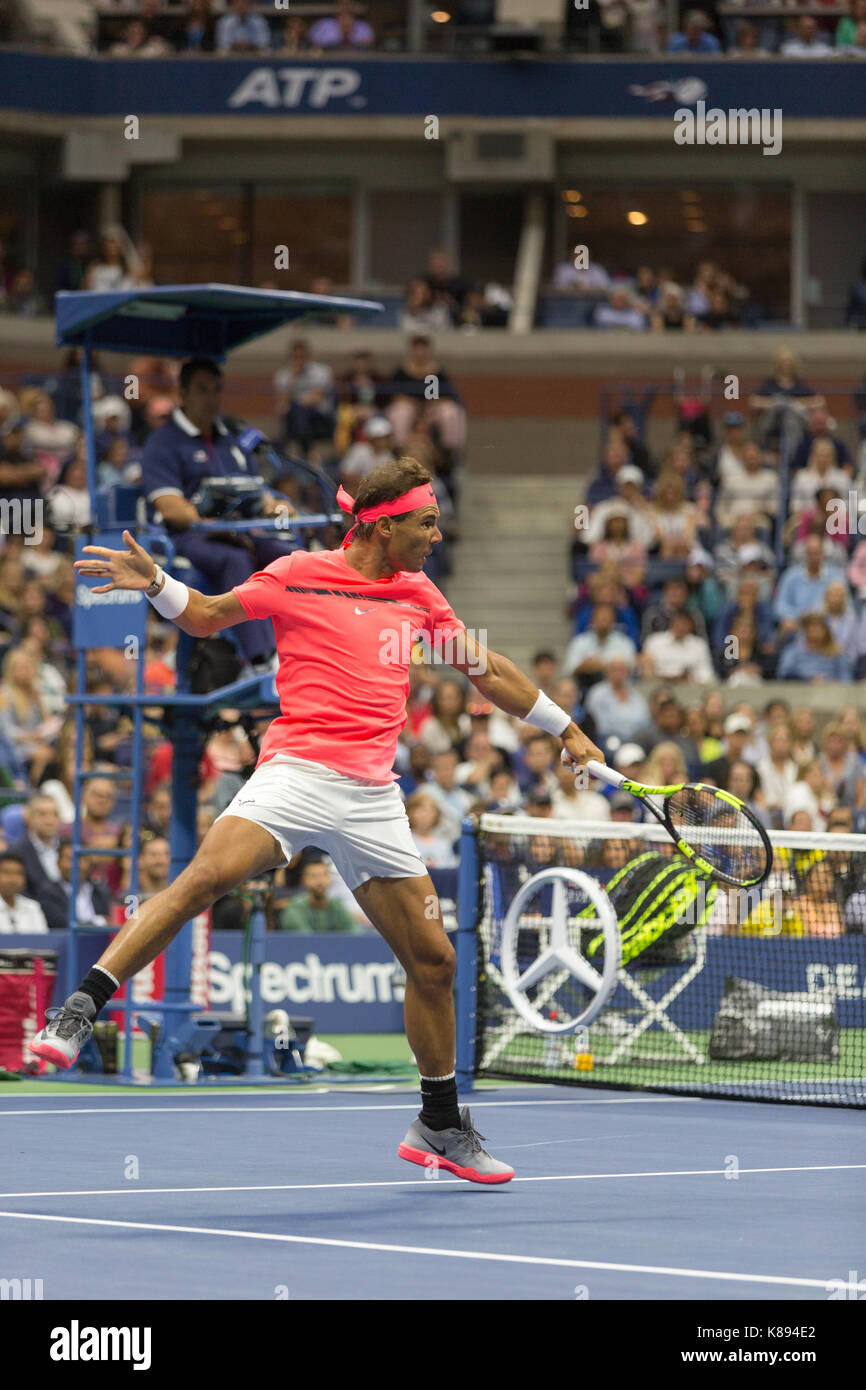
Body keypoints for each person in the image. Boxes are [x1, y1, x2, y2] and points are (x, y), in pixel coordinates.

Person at [33, 455, 604, 1184]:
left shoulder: (418, 594)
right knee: (205, 878)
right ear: (382, 525)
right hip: (297, 773)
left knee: (435, 962)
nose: (436, 533)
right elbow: (207, 618)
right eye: (426, 522)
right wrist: (156, 583)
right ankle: (79, 1009)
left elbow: (483, 670)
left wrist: (565, 728)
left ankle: (438, 1121)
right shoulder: (296, 572)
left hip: (372, 796)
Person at [141, 356, 295, 676]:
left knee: (290, 557)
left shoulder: (232, 438)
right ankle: (261, 660)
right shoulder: (163, 442)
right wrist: (213, 523)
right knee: (235, 560)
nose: (211, 398)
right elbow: (171, 507)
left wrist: (272, 506)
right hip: (188, 537)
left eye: (216, 390)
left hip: (242, 531)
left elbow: (257, 490)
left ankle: (301, 648)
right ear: (182, 393)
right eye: (201, 390)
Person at [10, 794, 68, 931]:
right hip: (34, 925)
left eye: (55, 814)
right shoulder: (16, 853)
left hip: (68, 923)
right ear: (28, 818)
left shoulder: (69, 849)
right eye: (42, 814)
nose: (50, 820)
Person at [278, 858, 360, 932]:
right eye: (313, 876)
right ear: (303, 880)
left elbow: (353, 934)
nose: (320, 881)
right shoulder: (295, 908)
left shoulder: (337, 906)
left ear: (330, 878)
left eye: (324, 875)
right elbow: (306, 941)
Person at [0, 852, 49, 933]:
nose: (13, 879)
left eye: (19, 873)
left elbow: (42, 941)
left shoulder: (33, 907)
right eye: (6, 873)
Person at [307, 0, 375, 50]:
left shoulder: (363, 26)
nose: (345, 7)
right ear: (336, 6)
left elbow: (369, 44)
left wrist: (348, 35)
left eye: (348, 4)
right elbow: (312, 43)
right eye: (342, 4)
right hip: (328, 61)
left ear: (353, 7)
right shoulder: (323, 24)